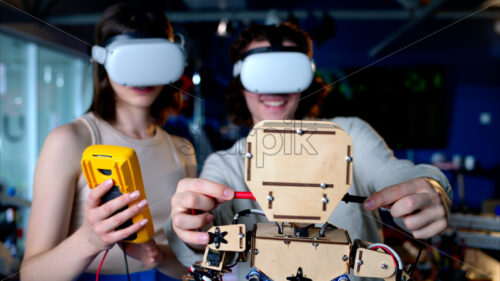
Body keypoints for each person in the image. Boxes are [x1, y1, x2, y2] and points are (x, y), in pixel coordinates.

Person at [166, 23, 452, 280]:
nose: (274, 88)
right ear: (241, 84)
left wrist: (431, 186)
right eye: (262, 74)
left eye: (288, 72)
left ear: (307, 78)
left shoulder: (348, 137)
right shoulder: (225, 165)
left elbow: (399, 175)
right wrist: (189, 225)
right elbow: (202, 233)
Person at [20, 3, 196, 281]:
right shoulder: (70, 141)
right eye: (129, 61)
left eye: (154, 61)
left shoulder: (182, 151)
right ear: (102, 60)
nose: (144, 75)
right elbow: (32, 275)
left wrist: (158, 256)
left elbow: (191, 269)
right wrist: (90, 240)